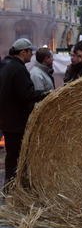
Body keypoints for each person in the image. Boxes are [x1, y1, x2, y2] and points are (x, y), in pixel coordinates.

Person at [0, 38, 48, 188]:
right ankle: (14, 186)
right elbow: (26, 94)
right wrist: (46, 93)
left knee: (11, 154)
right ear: (23, 52)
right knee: (17, 155)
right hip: (16, 121)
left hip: (7, 119)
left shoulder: (6, 65)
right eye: (30, 52)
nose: (32, 54)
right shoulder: (18, 69)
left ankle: (10, 184)